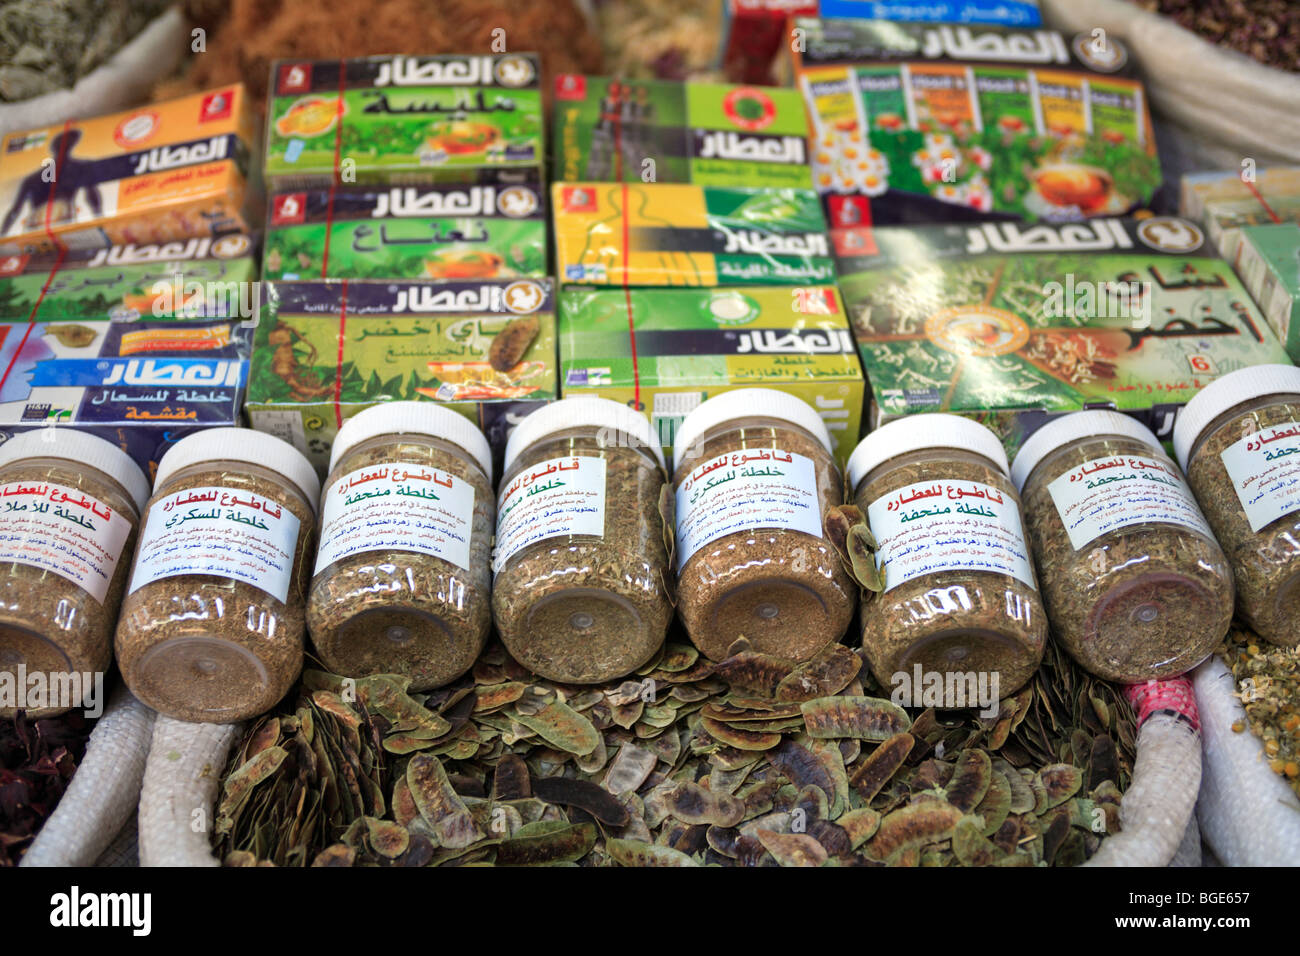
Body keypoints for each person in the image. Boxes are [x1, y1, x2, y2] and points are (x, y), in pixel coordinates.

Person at [0, 128, 103, 236]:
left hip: (48, 223)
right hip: (48, 223)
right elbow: (15, 211)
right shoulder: (33, 179)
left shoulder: (33, 178)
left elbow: (92, 196)